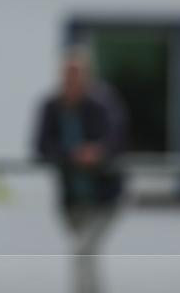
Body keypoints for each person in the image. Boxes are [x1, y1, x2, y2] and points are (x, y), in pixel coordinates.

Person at [34, 46, 128, 293]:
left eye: (76, 75)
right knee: (83, 251)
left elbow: (118, 138)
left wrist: (98, 152)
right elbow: (41, 147)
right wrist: (72, 155)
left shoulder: (102, 103)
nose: (71, 81)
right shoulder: (52, 106)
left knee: (82, 250)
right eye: (67, 75)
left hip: (105, 197)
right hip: (71, 199)